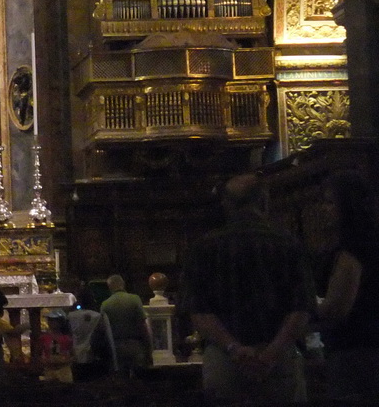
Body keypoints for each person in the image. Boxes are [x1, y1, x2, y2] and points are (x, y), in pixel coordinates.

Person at [181, 173, 315, 404]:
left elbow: (199, 311)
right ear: (264, 200)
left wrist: (234, 348)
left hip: (225, 360)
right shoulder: (288, 243)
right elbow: (302, 307)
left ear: (226, 204)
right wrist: (273, 352)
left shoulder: (204, 247)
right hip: (279, 358)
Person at [314, 169, 379, 400]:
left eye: (330, 203)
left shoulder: (352, 250)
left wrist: (304, 311)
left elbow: (337, 308)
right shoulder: (370, 242)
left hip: (355, 352)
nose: (324, 209)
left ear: (348, 206)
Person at [99, 274, 152, 375]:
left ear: (109, 287)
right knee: (139, 376)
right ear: (123, 284)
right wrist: (148, 347)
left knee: (122, 378)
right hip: (135, 344)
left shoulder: (105, 304)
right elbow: (143, 325)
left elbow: (103, 329)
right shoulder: (134, 299)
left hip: (116, 346)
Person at [67, 285, 117, 382]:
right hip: (93, 356)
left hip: (75, 356)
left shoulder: (70, 316)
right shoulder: (98, 316)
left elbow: (68, 335)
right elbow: (106, 337)